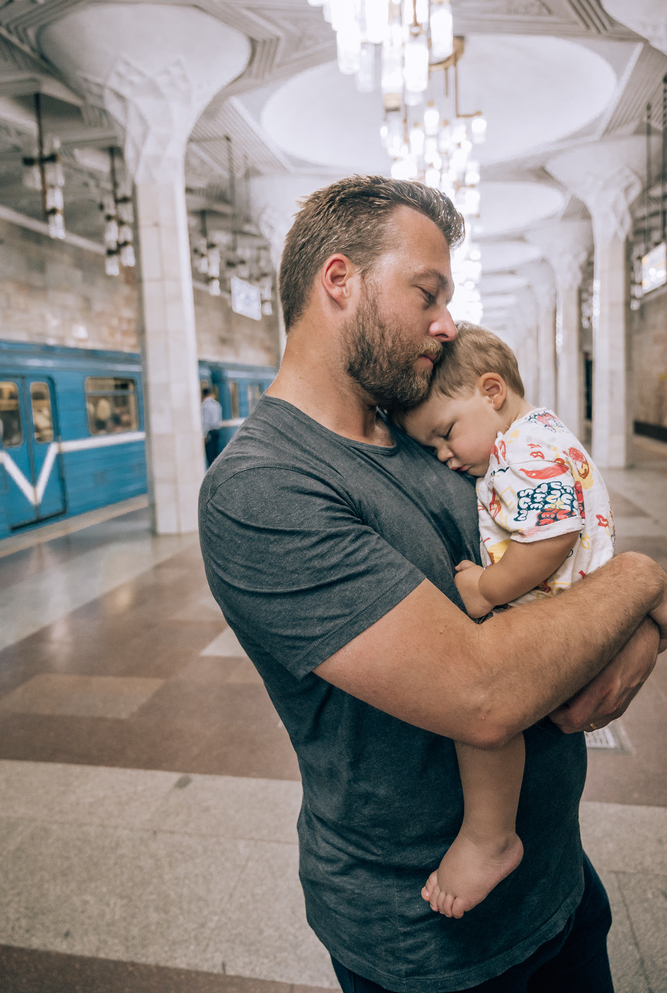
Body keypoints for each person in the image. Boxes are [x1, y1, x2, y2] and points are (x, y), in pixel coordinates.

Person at [199, 175, 667, 993]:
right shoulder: (264, 488)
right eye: (427, 292)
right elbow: (481, 694)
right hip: (431, 940)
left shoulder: (427, 432)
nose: (446, 323)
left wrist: (647, 621)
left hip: (558, 880)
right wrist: (643, 579)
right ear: (338, 281)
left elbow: (553, 538)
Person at [398, 323, 617, 922]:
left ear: (491, 390)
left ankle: (490, 837)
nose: (445, 455)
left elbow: (550, 536)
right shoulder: (540, 433)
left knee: (479, 704)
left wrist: (484, 588)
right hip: (585, 600)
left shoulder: (521, 449)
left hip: (553, 614)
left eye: (445, 434)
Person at [201, 384, 222, 467]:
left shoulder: (205, 406)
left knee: (210, 454)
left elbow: (205, 421)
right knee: (216, 453)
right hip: (217, 430)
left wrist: (204, 435)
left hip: (209, 432)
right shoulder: (216, 404)